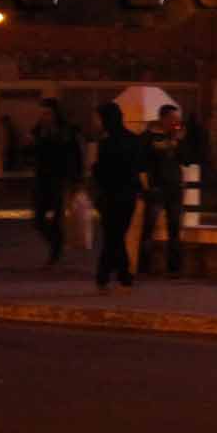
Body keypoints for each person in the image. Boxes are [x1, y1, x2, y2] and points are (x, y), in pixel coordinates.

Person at [89, 103, 147, 292]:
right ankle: (122, 276)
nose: (95, 122)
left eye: (98, 118)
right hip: (128, 196)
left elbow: (103, 172)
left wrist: (94, 169)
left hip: (111, 196)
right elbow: (138, 167)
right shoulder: (134, 140)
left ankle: (105, 277)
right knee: (116, 236)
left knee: (112, 237)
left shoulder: (106, 143)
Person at [138, 104, 195, 276]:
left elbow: (187, 160)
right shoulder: (149, 137)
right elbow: (143, 160)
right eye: (173, 119)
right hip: (156, 188)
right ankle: (144, 266)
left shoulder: (178, 138)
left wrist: (179, 142)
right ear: (163, 119)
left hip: (174, 188)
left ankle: (174, 267)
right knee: (149, 227)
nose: (176, 123)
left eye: (178, 120)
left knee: (175, 228)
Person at [28, 98, 82, 265]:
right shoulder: (38, 130)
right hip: (41, 179)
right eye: (42, 113)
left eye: (48, 113)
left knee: (57, 218)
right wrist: (31, 144)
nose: (44, 116)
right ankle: (57, 244)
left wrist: (76, 180)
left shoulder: (66, 131)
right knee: (38, 219)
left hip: (59, 179)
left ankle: (55, 253)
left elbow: (75, 156)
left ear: (55, 114)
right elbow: (32, 154)